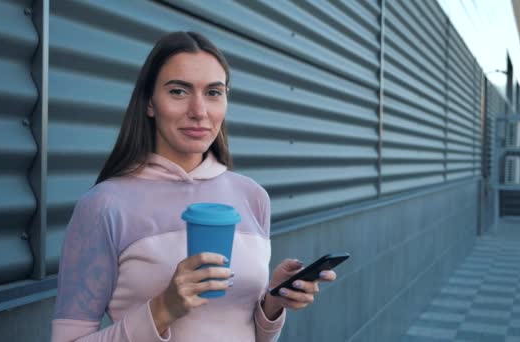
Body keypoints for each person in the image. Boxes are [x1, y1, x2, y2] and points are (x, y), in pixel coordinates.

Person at [51, 31, 337, 342]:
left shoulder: (252, 196)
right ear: (149, 102)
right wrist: (162, 309)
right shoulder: (104, 205)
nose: (199, 111)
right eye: (178, 91)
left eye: (213, 93)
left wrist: (273, 303)